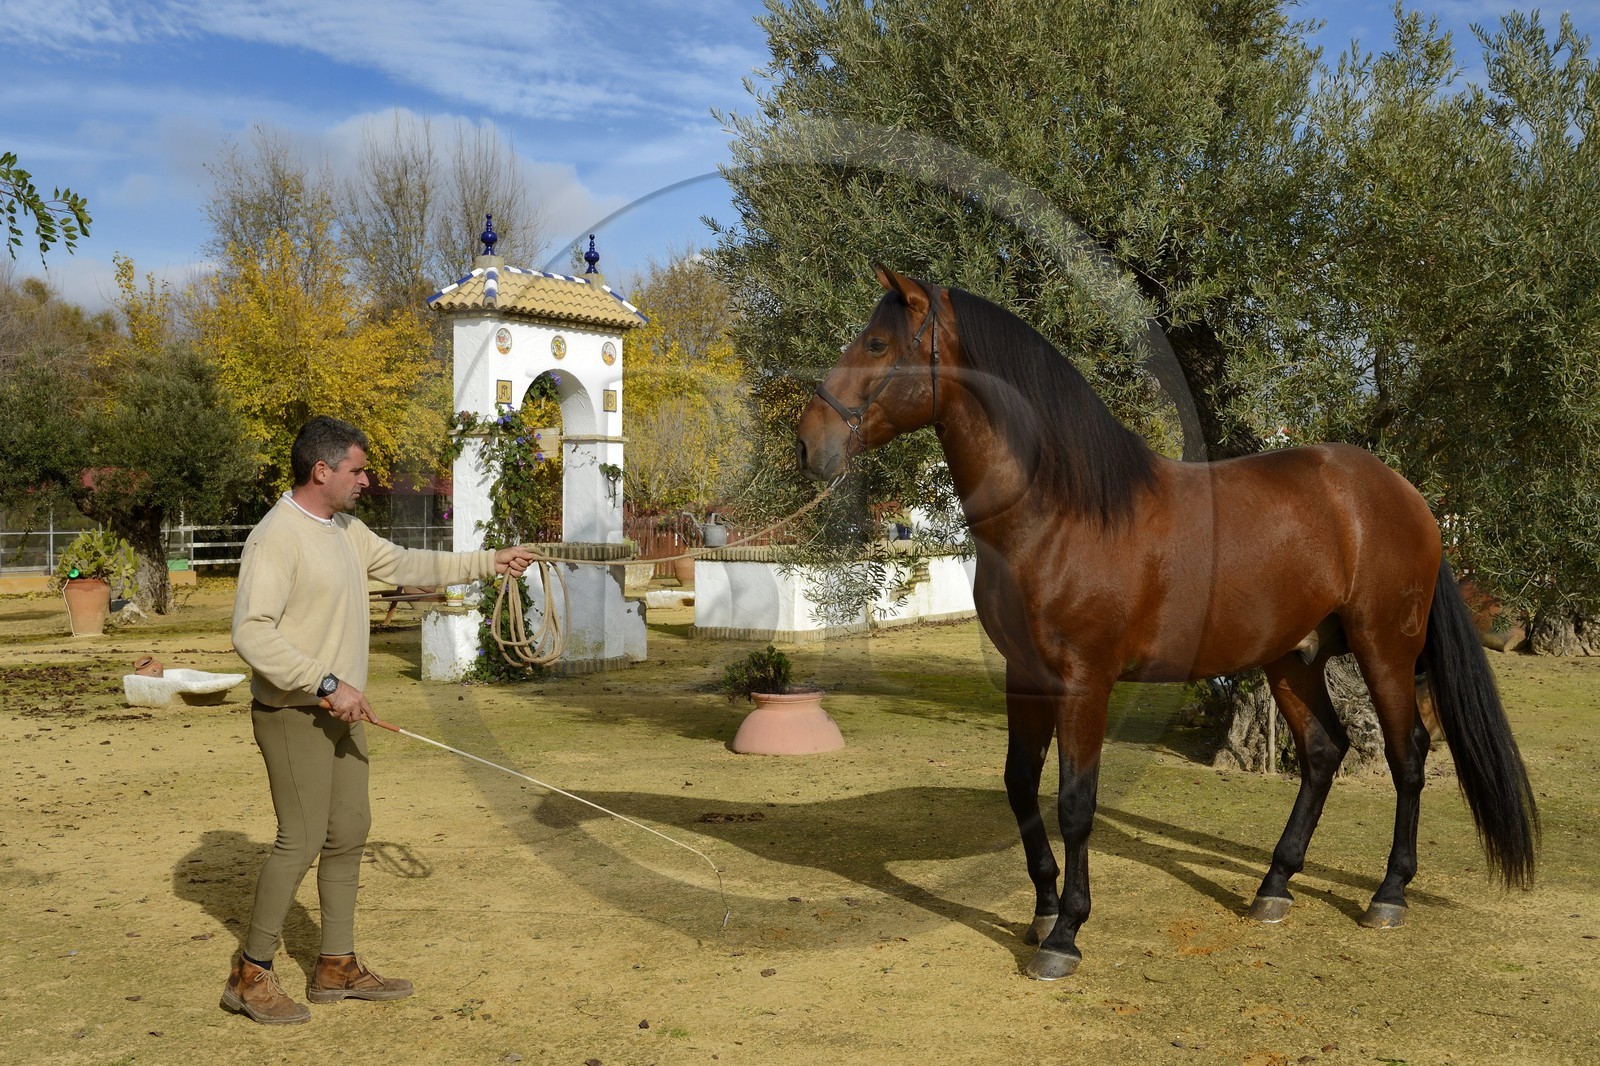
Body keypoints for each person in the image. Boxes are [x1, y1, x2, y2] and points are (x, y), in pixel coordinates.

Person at [221, 416, 535, 1024]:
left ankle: (336, 965)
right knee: (301, 839)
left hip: (345, 712)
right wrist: (326, 682)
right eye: (358, 470)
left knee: (349, 833)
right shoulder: (276, 537)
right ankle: (250, 975)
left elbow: (409, 565)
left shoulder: (346, 530)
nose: (367, 479)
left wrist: (491, 561)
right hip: (295, 713)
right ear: (322, 470)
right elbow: (250, 634)